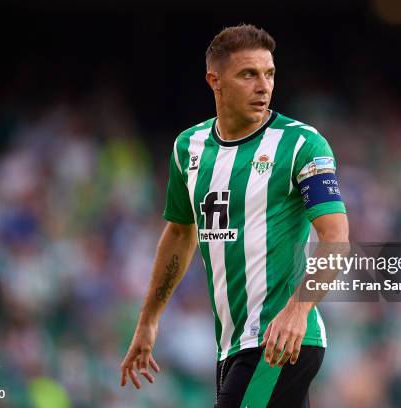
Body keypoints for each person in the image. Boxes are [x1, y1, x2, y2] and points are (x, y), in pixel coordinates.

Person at [120, 24, 349, 407]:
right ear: (215, 80)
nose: (263, 86)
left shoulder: (300, 144)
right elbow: (179, 233)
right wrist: (148, 320)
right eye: (248, 74)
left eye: (269, 74)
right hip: (231, 346)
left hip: (281, 341)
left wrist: (298, 309)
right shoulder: (188, 148)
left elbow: (336, 237)